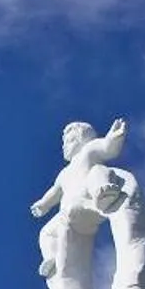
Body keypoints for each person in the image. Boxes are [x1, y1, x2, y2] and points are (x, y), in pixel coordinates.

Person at [28, 117, 127, 280]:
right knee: (46, 233)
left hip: (88, 200)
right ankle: (51, 258)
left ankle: (104, 195)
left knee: (99, 171)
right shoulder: (64, 173)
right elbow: (55, 192)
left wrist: (114, 138)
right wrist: (43, 204)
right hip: (67, 212)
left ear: (82, 139)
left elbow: (106, 147)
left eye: (69, 141)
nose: (64, 146)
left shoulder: (88, 152)